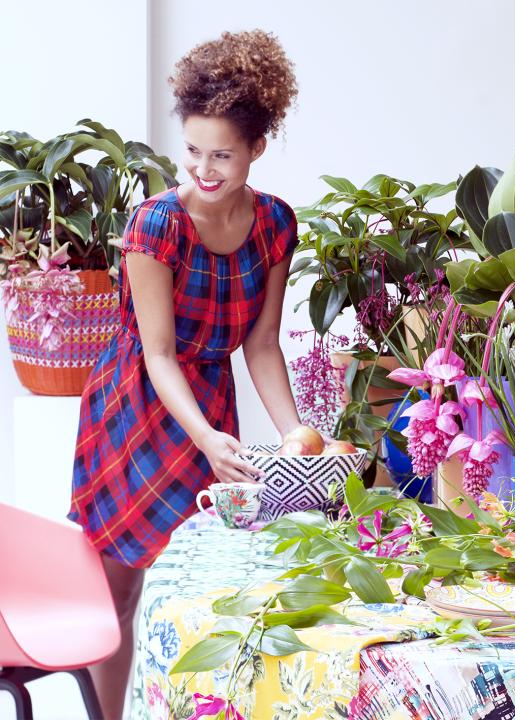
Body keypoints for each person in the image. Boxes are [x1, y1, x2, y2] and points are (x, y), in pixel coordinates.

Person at [69, 29, 307, 719]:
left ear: (257, 148)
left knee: (208, 586)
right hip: (137, 408)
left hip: (208, 405)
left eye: (223, 155)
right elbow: (157, 353)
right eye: (195, 150)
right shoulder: (157, 226)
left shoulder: (274, 226)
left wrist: (295, 433)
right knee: (119, 592)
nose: (205, 168)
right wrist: (204, 436)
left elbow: (262, 343)